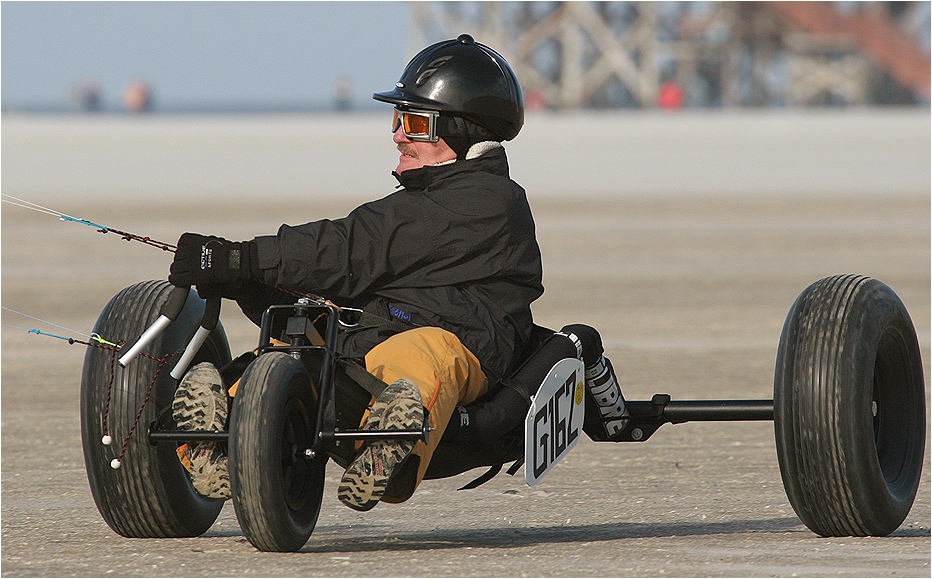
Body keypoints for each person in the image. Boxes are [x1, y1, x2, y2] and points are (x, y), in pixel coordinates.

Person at [167, 34, 627, 511]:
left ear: (460, 131)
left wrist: (245, 257)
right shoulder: (425, 200)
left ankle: (392, 451)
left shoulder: (487, 202)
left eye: (412, 122)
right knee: (293, 350)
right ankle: (216, 443)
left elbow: (355, 248)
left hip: (455, 344)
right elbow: (339, 270)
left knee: (419, 356)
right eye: (397, 119)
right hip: (364, 343)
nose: (397, 135)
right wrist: (246, 280)